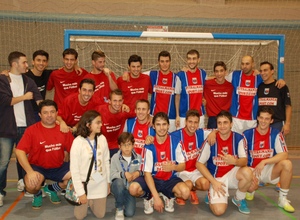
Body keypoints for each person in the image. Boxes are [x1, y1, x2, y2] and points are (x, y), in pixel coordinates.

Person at [0, 51, 43, 206]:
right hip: (6, 128)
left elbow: (38, 98)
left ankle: (26, 186)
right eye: (24, 62)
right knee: (3, 162)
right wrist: (25, 97)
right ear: (14, 64)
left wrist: (47, 110)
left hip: (26, 127)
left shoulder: (28, 80)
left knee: (25, 159)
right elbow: (5, 100)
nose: (27, 65)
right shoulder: (2, 80)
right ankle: (0, 192)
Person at [15, 100, 74, 209]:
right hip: (38, 167)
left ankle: (51, 189)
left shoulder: (64, 130)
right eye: (45, 112)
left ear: (57, 113)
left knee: (78, 179)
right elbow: (19, 151)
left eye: (52, 112)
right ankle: (37, 193)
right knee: (31, 186)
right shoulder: (32, 131)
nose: (49, 115)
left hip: (59, 167)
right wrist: (30, 172)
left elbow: (75, 151)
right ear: (39, 115)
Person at [129, 112, 190, 215]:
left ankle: (168, 196)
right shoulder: (149, 145)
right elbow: (147, 173)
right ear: (153, 126)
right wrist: (156, 198)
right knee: (133, 189)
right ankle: (149, 197)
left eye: (164, 124)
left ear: (168, 125)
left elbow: (183, 166)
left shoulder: (176, 142)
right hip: (153, 179)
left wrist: (173, 167)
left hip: (169, 179)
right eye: (158, 124)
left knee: (185, 193)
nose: (161, 128)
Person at [196, 110, 252, 216]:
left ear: (231, 124)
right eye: (219, 123)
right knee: (219, 211)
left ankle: (239, 199)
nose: (222, 126)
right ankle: (211, 195)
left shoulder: (239, 138)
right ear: (216, 125)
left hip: (232, 175)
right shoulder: (211, 140)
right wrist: (213, 182)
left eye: (225, 122)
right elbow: (199, 164)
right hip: (216, 179)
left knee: (248, 173)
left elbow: (244, 161)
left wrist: (234, 161)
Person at [243, 107, 295, 213]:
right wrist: (249, 174)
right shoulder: (247, 134)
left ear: (271, 121)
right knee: (249, 185)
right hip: (252, 170)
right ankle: (250, 189)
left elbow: (284, 154)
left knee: (287, 164)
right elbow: (241, 158)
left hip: (268, 170)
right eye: (261, 118)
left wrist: (264, 161)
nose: (263, 121)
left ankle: (282, 199)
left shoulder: (276, 134)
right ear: (257, 118)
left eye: (267, 119)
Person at [228, 55, 285, 134]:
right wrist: (206, 78)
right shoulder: (234, 75)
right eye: (242, 64)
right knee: (235, 143)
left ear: (253, 64)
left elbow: (270, 80)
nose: (244, 66)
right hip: (236, 119)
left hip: (253, 119)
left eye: (247, 64)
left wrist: (280, 80)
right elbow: (219, 77)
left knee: (251, 144)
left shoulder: (259, 77)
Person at [70, 110, 110, 219]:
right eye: (98, 122)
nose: (101, 124)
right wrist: (81, 192)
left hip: (100, 182)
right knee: (79, 216)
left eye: (101, 122)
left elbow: (106, 161)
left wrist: (108, 182)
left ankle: (92, 201)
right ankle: (86, 199)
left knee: (100, 215)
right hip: (85, 184)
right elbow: (74, 170)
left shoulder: (102, 139)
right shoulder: (78, 142)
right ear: (88, 125)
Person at [171, 109, 211, 205]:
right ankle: (178, 194)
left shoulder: (201, 133)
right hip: (180, 171)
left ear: (198, 123)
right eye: (190, 122)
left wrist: (214, 133)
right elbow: (162, 140)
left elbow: (218, 131)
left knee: (205, 184)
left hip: (194, 170)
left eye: (195, 122)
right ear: (185, 122)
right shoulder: (175, 135)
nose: (193, 125)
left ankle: (193, 190)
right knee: (187, 184)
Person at [110, 132, 143, 220]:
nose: (127, 147)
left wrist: (138, 172)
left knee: (129, 213)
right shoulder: (115, 157)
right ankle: (119, 208)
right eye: (124, 145)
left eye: (129, 144)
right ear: (119, 146)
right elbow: (111, 174)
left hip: (129, 188)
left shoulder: (138, 158)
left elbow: (143, 171)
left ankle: (123, 198)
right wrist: (123, 174)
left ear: (133, 145)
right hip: (117, 185)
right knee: (119, 183)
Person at [95, 89, 132, 158]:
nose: (117, 104)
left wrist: (150, 118)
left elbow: (140, 113)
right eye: (115, 101)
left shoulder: (124, 110)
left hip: (116, 146)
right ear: (109, 101)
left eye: (120, 101)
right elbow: (87, 119)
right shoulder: (100, 110)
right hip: (100, 145)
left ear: (123, 101)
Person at [257, 61, 292, 136]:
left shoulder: (280, 86)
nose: (262, 73)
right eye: (261, 71)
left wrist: (287, 124)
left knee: (277, 147)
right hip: (262, 124)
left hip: (277, 124)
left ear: (272, 71)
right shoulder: (259, 87)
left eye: (265, 70)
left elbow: (288, 106)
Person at [175, 49, 207, 129]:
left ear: (198, 60)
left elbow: (209, 83)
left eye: (194, 58)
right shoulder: (180, 75)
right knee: (182, 139)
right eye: (189, 59)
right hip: (183, 115)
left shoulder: (203, 73)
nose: (191, 61)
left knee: (198, 139)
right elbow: (177, 96)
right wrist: (177, 115)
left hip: (199, 115)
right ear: (186, 60)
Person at [149, 51, 177, 132]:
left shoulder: (176, 78)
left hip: (171, 118)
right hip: (154, 117)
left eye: (167, 61)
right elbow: (136, 73)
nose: (164, 64)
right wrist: (127, 72)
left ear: (170, 62)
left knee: (169, 142)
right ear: (158, 62)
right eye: (162, 61)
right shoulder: (152, 74)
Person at [204, 61, 233, 129]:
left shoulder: (231, 86)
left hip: (226, 118)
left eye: (221, 71)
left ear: (225, 72)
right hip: (213, 119)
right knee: (212, 139)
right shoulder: (207, 84)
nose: (219, 74)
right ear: (214, 73)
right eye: (217, 71)